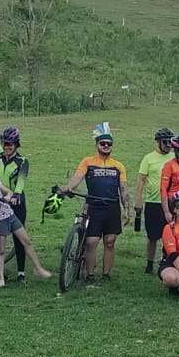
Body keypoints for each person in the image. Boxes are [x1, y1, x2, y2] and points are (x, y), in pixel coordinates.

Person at [58, 122, 130, 285]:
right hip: (94, 206)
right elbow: (77, 177)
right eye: (103, 143)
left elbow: (124, 188)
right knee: (91, 242)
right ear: (97, 144)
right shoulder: (88, 162)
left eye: (109, 144)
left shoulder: (118, 166)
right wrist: (69, 187)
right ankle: (90, 275)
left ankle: (106, 274)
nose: (106, 146)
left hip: (112, 207)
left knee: (110, 242)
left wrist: (127, 209)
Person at [0, 167, 50, 286]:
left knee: (26, 241)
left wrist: (8, 197)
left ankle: (38, 268)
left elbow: (9, 192)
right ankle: (1, 278)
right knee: (1, 250)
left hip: (11, 217)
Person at [0, 127, 32, 280]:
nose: (7, 147)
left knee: (18, 237)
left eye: (10, 144)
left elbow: (21, 181)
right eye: (5, 144)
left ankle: (21, 272)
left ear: (16, 144)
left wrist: (16, 194)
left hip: (16, 201)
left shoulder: (22, 161)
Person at [135, 126, 175, 274]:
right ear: (158, 142)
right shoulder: (148, 158)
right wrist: (138, 200)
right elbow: (140, 180)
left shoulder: (173, 158)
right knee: (152, 236)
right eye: (165, 142)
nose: (168, 145)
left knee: (169, 235)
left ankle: (167, 261)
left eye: (170, 142)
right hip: (153, 202)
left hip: (170, 202)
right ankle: (149, 263)